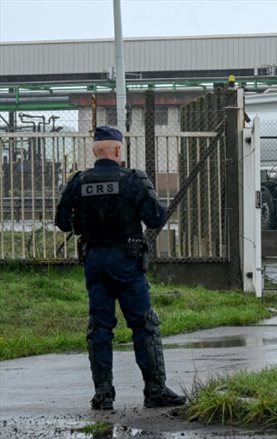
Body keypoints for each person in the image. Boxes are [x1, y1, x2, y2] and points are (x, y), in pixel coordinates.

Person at [55, 126, 185, 410]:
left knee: (100, 326)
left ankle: (103, 394)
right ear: (117, 150)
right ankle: (155, 391)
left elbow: (63, 222)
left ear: (94, 151)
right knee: (144, 324)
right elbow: (155, 218)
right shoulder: (133, 180)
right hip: (127, 260)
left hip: (95, 261)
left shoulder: (78, 182)